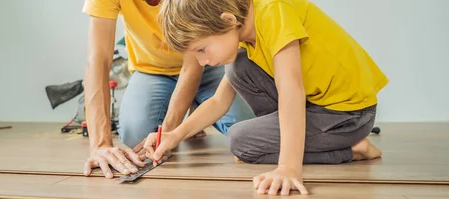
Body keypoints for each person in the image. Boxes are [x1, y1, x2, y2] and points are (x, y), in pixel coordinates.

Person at [143, 0, 388, 196]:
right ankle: (296, 141)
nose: (202, 62)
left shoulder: (273, 11)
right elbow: (219, 101)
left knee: (241, 141)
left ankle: (352, 149)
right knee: (238, 67)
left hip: (349, 114)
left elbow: (291, 88)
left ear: (227, 20)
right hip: (317, 107)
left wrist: (288, 168)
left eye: (201, 50)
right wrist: (175, 134)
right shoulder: (243, 30)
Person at [80, 0, 255, 179]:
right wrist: (101, 145)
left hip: (210, 59)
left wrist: (171, 132)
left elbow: (192, 67)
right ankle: (193, 108)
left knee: (244, 126)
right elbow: (98, 60)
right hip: (152, 70)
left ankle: (194, 105)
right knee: (137, 135)